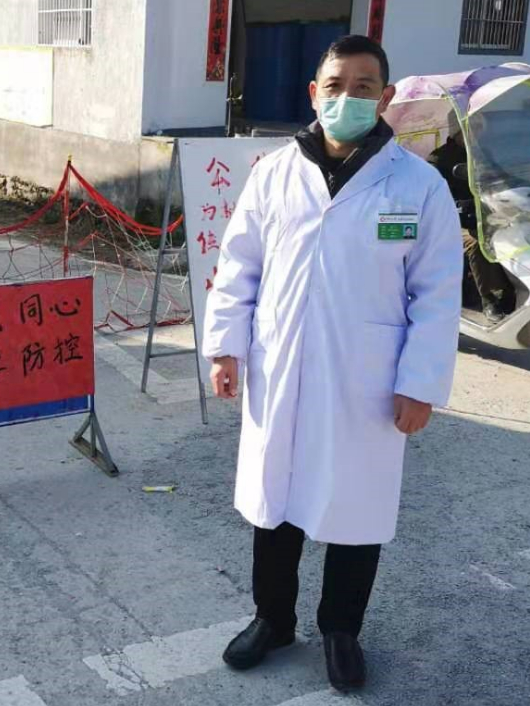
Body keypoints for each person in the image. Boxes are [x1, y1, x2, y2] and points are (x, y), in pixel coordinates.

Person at [203, 35, 462, 692]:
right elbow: (239, 264)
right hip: (281, 365)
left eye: (364, 86)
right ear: (313, 93)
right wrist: (227, 346)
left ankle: (341, 630)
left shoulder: (418, 186)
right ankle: (272, 619)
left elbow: (436, 294)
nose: (348, 96)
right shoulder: (273, 173)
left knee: (354, 508)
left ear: (386, 96)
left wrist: (420, 384)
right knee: (277, 501)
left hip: (364, 379)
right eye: (336, 85)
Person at [428, 124, 508, 323]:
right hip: (452, 222)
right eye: (474, 127)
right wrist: (460, 204)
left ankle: (514, 291)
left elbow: (500, 176)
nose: (478, 132)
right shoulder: (438, 159)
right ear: (459, 131)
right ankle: (491, 300)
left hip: (486, 215)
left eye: (480, 128)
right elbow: (431, 196)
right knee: (479, 244)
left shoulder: (482, 153)